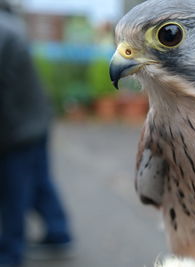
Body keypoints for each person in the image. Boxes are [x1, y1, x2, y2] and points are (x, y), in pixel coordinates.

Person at [0, 1, 72, 266]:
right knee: (38, 180)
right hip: (34, 119)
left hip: (17, 130)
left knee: (12, 193)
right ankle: (58, 233)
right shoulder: (9, 24)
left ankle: (9, 255)